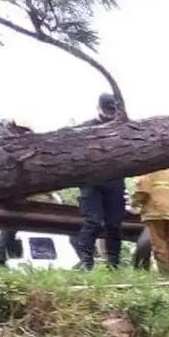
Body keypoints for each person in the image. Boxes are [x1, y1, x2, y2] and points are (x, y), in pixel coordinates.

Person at [74, 94, 128, 270]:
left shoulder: (123, 129)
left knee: (114, 225)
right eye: (107, 110)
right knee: (93, 221)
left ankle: (113, 265)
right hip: (92, 183)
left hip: (115, 182)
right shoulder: (85, 129)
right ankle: (86, 262)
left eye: (113, 111)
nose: (109, 115)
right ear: (98, 108)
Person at [131, 167, 169, 274]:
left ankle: (166, 275)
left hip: (158, 210)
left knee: (160, 244)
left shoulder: (152, 167)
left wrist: (135, 204)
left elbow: (143, 190)